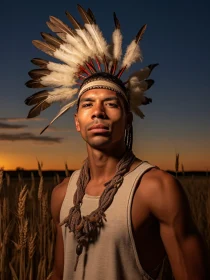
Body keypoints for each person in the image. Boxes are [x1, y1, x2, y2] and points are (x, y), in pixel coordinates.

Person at [25, 5, 208, 280]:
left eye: (110, 104)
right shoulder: (62, 194)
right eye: (88, 104)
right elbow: (59, 273)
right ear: (77, 121)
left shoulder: (157, 189)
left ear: (128, 119)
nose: (98, 111)